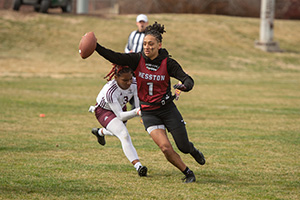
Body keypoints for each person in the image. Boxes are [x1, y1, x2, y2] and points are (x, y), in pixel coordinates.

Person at [93, 22, 205, 183]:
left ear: (159, 45)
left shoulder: (168, 63)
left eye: (151, 44)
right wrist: (95, 46)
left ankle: (192, 150)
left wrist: (185, 86)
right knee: (165, 148)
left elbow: (188, 79)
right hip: (149, 112)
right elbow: (115, 56)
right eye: (145, 43)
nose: (147, 47)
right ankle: (188, 173)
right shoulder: (137, 59)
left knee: (183, 146)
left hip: (168, 110)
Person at [88, 64, 148, 177]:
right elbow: (120, 116)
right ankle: (138, 166)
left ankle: (100, 132)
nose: (129, 82)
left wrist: (141, 113)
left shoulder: (134, 83)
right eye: (125, 80)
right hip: (104, 111)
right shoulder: (110, 91)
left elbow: (137, 104)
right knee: (123, 134)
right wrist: (137, 112)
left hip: (120, 108)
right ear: (116, 78)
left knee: (118, 132)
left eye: (130, 78)